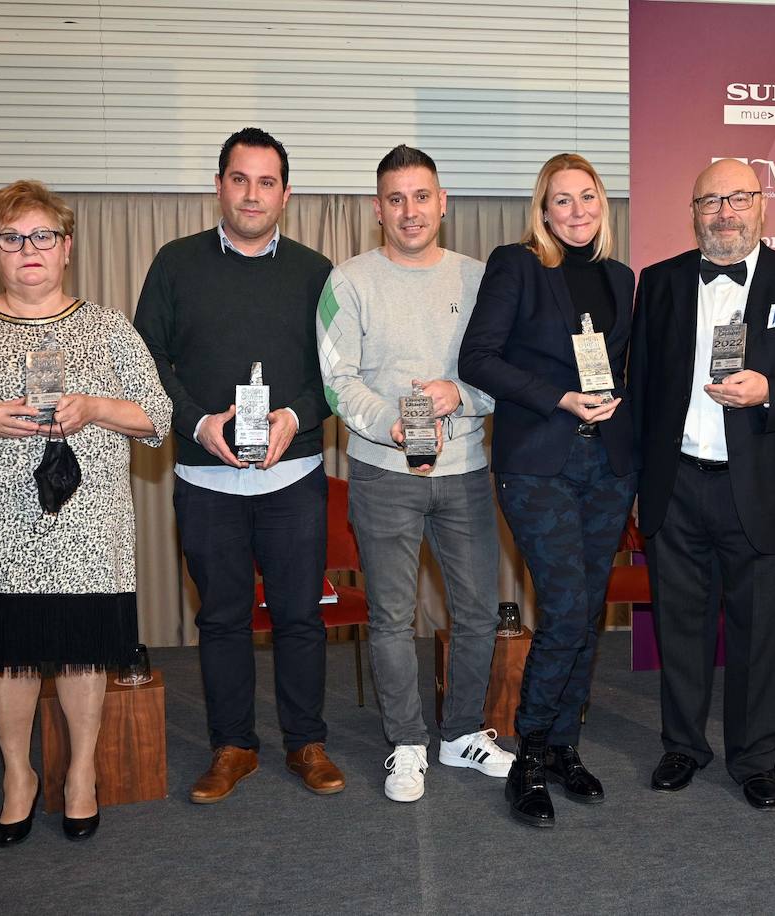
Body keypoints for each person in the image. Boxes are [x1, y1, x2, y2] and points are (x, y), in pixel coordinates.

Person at [0, 180, 172, 846]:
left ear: (67, 247)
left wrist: (95, 406)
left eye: (42, 236)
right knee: (9, 657)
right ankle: (19, 777)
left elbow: (157, 416)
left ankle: (80, 776)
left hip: (84, 532)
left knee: (80, 653)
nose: (28, 250)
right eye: (11, 239)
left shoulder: (106, 326)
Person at [628, 158, 775, 811]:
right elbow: (642, 387)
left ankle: (755, 760)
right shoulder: (662, 281)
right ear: (694, 211)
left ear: (762, 205)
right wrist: (637, 486)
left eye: (737, 199)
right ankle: (682, 746)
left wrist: (773, 392)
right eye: (710, 201)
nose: (724, 213)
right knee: (681, 627)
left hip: (763, 489)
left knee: (762, 634)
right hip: (677, 487)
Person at [133, 127, 343, 803]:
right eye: (240, 179)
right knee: (221, 618)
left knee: (300, 617)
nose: (253, 194)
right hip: (204, 477)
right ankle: (233, 747)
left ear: (285, 193)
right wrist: (196, 422)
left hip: (294, 477)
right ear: (219, 184)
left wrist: (294, 418)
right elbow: (146, 363)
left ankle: (306, 742)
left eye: (267, 181)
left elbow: (336, 376)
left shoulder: (317, 273)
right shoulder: (174, 264)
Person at [316, 144, 512, 802]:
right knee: (393, 619)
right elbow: (336, 382)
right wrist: (387, 424)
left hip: (464, 470)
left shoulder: (479, 277)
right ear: (378, 209)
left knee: (479, 612)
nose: (410, 211)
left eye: (421, 196)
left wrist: (464, 394)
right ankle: (405, 744)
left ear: (443, 202)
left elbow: (502, 373)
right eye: (395, 199)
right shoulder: (348, 282)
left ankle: (461, 734)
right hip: (384, 473)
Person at [458, 153, 636, 828]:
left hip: (606, 468)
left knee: (587, 612)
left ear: (601, 203)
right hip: (537, 464)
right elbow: (477, 357)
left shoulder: (621, 277)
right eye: (560, 201)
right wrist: (561, 397)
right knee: (564, 608)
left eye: (585, 197)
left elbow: (623, 368)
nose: (575, 211)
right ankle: (528, 754)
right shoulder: (518, 265)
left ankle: (565, 745)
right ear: (542, 210)